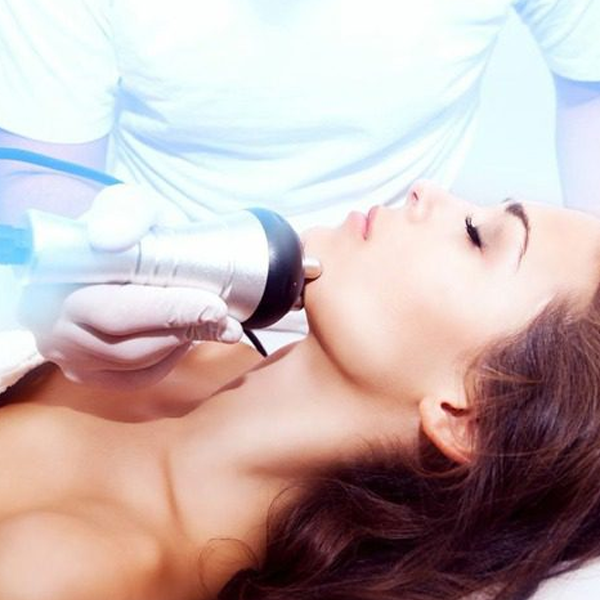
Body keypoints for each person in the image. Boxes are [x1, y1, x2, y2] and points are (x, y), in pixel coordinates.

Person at [2, 182, 600, 599]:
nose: (426, 192)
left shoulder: (76, 569)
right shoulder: (187, 338)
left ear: (466, 419)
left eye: (477, 236)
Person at [0, 0, 599, 384]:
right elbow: (41, 171)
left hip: (401, 324)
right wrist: (83, 276)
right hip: (166, 303)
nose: (426, 195)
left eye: (478, 233)